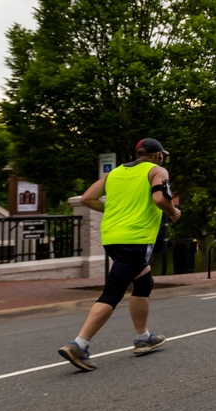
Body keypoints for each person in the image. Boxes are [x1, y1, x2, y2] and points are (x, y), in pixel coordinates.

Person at [58, 138, 181, 371]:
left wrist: (115, 208)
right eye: (161, 156)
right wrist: (174, 213)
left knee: (144, 282)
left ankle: (143, 337)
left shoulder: (113, 174)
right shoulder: (157, 170)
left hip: (111, 238)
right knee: (112, 293)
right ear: (158, 156)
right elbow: (159, 198)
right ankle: (79, 344)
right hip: (135, 239)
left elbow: (86, 198)